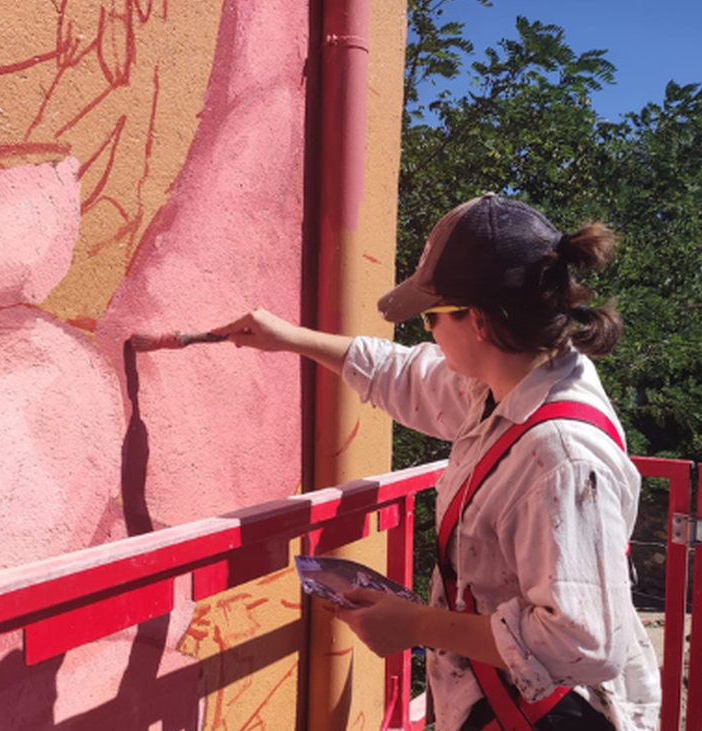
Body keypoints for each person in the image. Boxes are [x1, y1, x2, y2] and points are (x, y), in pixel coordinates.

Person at [214, 193, 660, 731]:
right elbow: (405, 376)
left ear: (477, 320)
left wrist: (417, 625)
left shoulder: (557, 456)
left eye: (430, 316)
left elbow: (584, 643)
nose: (425, 331)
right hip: (501, 701)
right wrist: (288, 339)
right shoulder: (508, 383)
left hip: (542, 715)